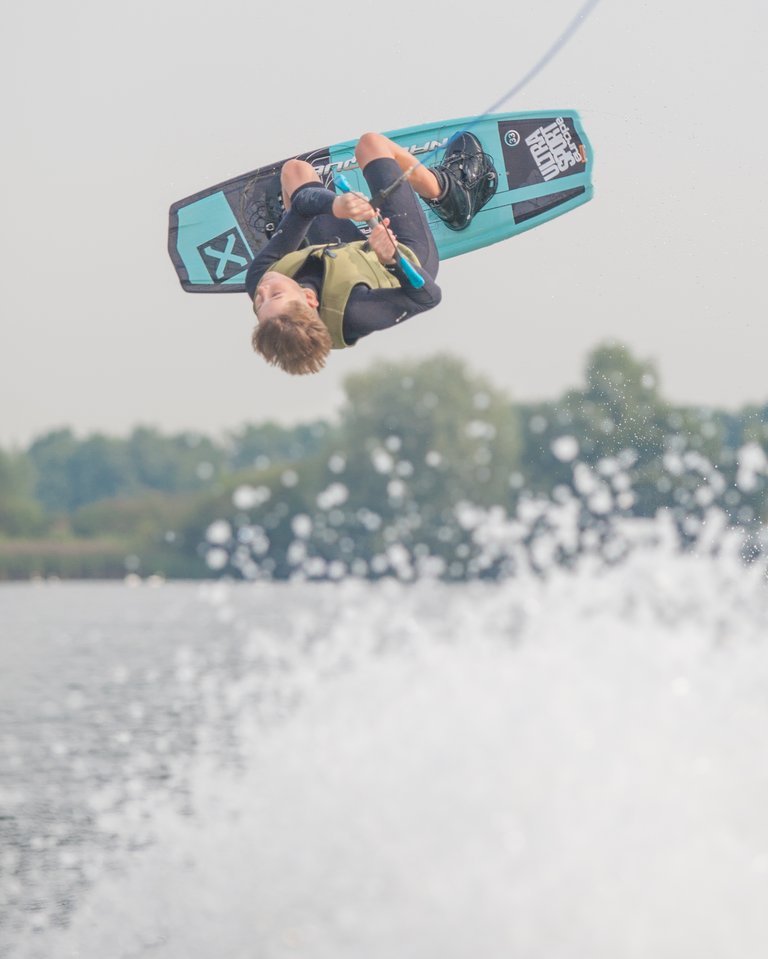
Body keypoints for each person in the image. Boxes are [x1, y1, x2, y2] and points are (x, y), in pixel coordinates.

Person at [246, 130, 497, 375]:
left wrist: (337, 205)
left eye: (259, 302)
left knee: (295, 171)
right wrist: (391, 260)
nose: (264, 290)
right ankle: (452, 197)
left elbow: (302, 205)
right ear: (309, 299)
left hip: (341, 254)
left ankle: (294, 236)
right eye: (275, 294)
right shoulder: (355, 313)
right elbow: (428, 297)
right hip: (404, 255)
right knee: (371, 144)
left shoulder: (260, 279)